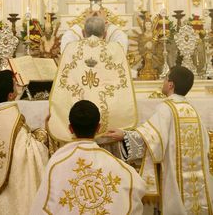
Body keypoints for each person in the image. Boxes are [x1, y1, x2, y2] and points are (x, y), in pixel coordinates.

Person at [106, 66, 213, 214]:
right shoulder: (192, 110)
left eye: (165, 78)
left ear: (171, 84)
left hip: (173, 177)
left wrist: (124, 135)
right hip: (197, 180)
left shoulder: (166, 108)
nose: (163, 82)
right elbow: (206, 144)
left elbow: (151, 139)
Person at [30, 100, 146, 215]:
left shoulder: (57, 162)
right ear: (98, 128)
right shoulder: (118, 166)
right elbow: (138, 186)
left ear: (70, 128)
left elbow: (42, 206)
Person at [49, 16, 137, 143]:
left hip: (79, 110)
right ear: (105, 33)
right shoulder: (115, 49)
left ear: (83, 33)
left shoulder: (71, 49)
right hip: (107, 112)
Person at [0, 70, 49, 215]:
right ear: (11, 95)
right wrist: (44, 132)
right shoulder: (13, 121)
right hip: (6, 196)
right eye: (15, 85)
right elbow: (30, 154)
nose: (17, 87)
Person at [60, 9, 128, 54]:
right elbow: (122, 41)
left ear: (83, 33)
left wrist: (84, 21)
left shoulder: (75, 51)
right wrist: (105, 21)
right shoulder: (112, 51)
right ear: (105, 34)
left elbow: (66, 43)